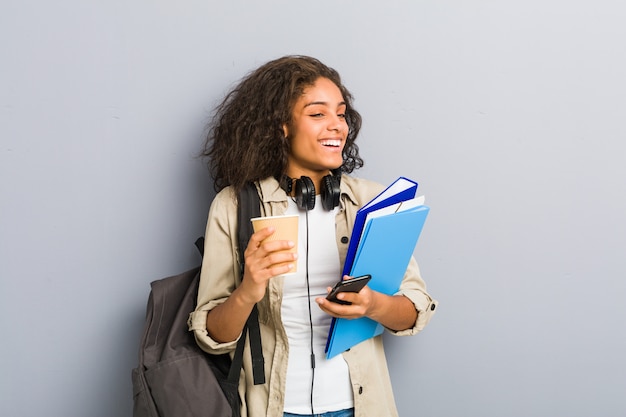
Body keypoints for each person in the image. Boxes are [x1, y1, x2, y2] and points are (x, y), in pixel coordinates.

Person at [189, 55, 437, 417]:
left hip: (359, 405)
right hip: (272, 408)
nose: (337, 125)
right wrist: (249, 289)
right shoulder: (234, 206)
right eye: (318, 114)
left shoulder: (372, 201)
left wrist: (373, 306)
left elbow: (415, 311)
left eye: (341, 114)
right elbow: (212, 336)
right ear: (281, 127)